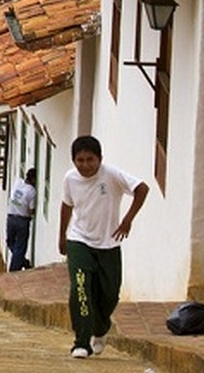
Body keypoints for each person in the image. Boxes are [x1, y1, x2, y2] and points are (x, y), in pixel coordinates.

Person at [59, 135, 149, 359]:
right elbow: (66, 205)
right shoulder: (70, 179)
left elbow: (142, 188)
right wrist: (62, 236)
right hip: (79, 240)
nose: (85, 165)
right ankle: (81, 342)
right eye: (79, 160)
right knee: (80, 288)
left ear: (100, 159)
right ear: (73, 161)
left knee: (109, 294)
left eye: (90, 160)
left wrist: (128, 219)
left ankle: (100, 329)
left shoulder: (112, 175)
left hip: (109, 243)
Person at [7, 168, 38, 272]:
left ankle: (20, 262)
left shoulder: (18, 182)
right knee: (20, 247)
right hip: (22, 221)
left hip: (11, 218)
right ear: (33, 179)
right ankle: (15, 269)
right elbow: (31, 209)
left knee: (10, 242)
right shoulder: (32, 191)